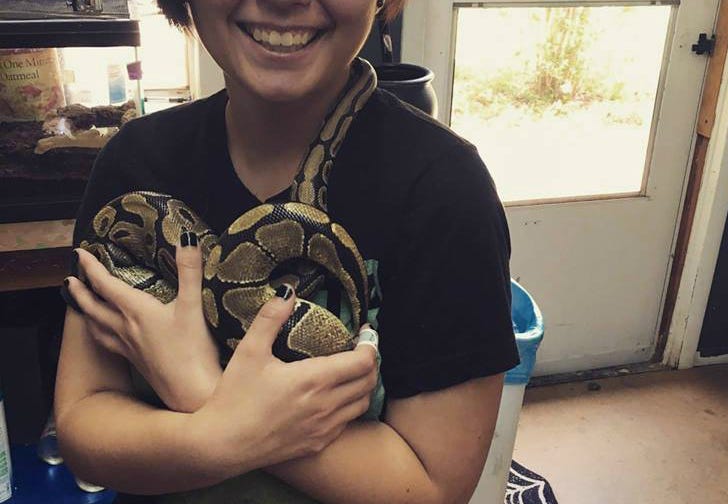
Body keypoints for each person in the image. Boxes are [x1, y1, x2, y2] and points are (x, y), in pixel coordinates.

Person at [54, 1, 520, 503]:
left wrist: (201, 390)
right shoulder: (134, 161)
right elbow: (84, 421)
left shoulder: (445, 191)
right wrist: (222, 432)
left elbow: (432, 490)